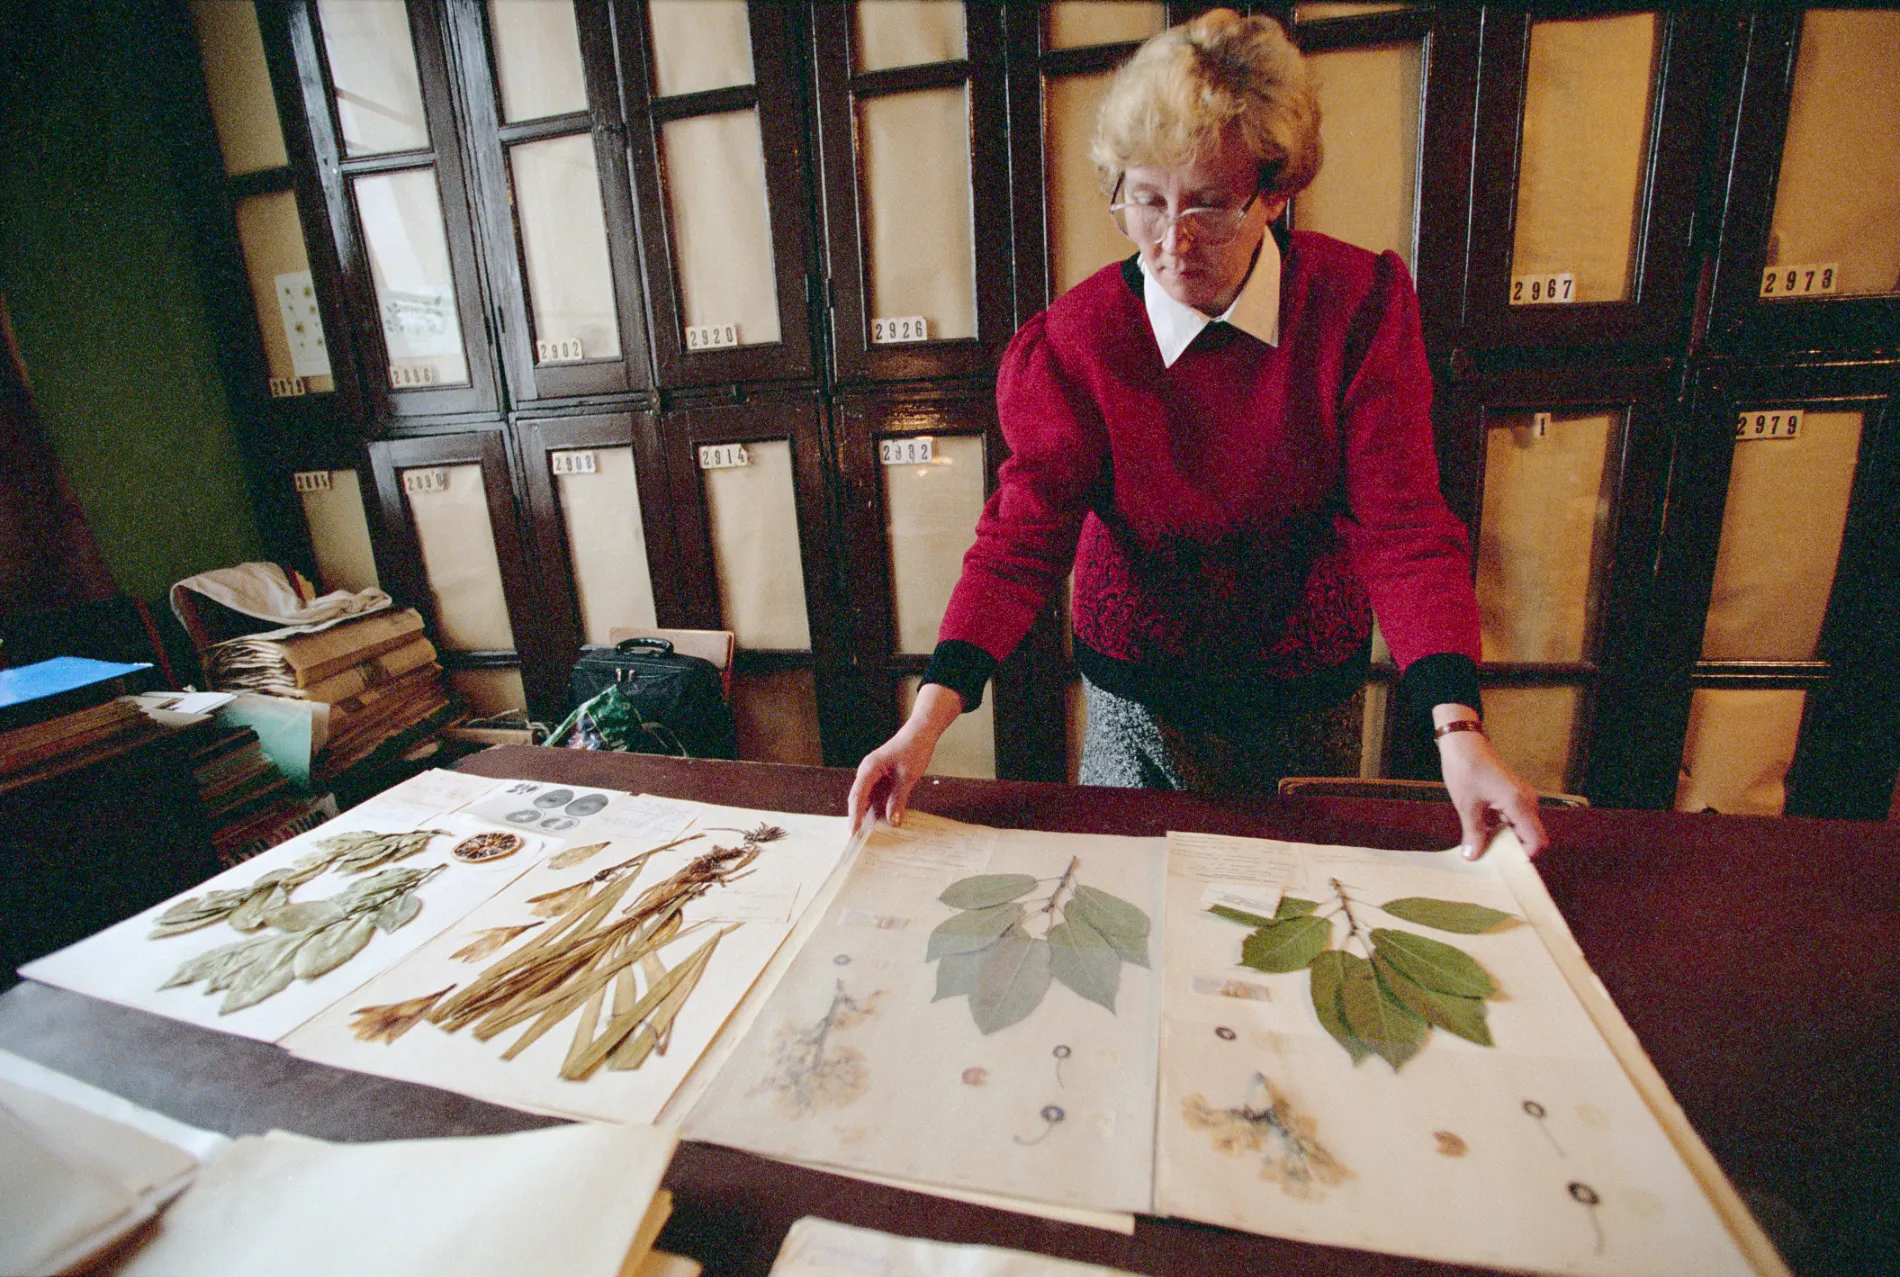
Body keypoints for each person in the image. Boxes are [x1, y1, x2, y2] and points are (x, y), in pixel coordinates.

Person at [848, 10, 1548, 860]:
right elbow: (1019, 539)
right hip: (1137, 691)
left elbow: (1403, 528)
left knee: (1279, 909)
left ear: (1277, 189)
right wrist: (926, 723)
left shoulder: (1353, 309)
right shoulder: (1078, 341)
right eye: (1145, 201)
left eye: (1211, 206)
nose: (1172, 245)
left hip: (1301, 687)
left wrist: (1459, 728)